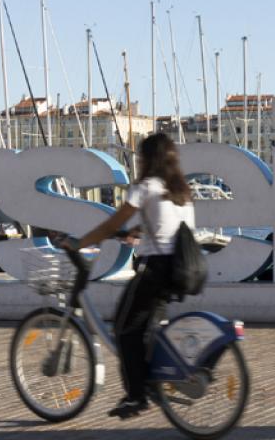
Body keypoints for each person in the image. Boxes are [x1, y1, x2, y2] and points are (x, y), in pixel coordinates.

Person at [57, 132, 198, 421]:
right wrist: (137, 232)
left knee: (124, 329)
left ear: (147, 159)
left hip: (154, 270)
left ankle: (136, 396)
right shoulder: (181, 192)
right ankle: (151, 381)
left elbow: (111, 224)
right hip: (180, 269)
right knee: (145, 329)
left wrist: (79, 243)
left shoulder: (145, 187)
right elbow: (168, 228)